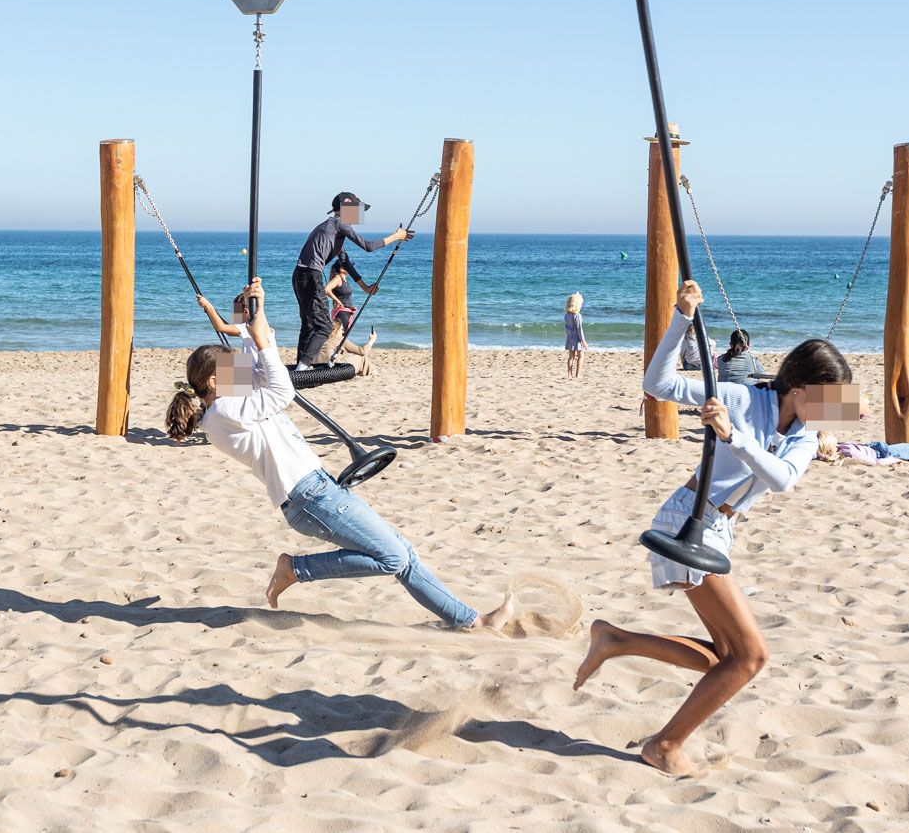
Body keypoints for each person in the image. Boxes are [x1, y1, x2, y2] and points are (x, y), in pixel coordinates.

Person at [574, 280, 861, 777]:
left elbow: (782, 481)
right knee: (751, 658)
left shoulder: (804, 436)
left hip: (719, 529)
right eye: (832, 398)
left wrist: (735, 437)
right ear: (800, 390)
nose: (838, 409)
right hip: (688, 518)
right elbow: (658, 384)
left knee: (725, 659)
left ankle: (616, 641)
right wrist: (682, 316)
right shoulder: (741, 397)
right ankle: (664, 746)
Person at [171, 279, 508, 631]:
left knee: (402, 553)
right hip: (307, 496)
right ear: (213, 382)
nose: (239, 371)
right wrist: (257, 340)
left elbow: (258, 358)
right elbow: (280, 390)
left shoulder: (228, 404)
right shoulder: (224, 414)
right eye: (230, 369)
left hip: (317, 489)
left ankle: (472, 621)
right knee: (392, 557)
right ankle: (294, 569)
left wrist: (255, 310)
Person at [292, 192, 408, 367]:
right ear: (346, 209)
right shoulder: (339, 224)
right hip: (311, 275)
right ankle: (302, 369)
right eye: (358, 210)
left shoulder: (332, 228)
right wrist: (396, 236)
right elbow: (368, 246)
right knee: (323, 327)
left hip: (299, 275)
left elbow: (345, 262)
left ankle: (299, 366)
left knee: (308, 324)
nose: (360, 215)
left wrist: (364, 287)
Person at [564, 293, 590, 380]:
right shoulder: (577, 316)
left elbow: (566, 327)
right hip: (577, 338)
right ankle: (578, 375)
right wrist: (583, 340)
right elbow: (579, 329)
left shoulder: (567, 315)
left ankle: (569, 374)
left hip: (570, 337)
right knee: (581, 356)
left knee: (571, 357)